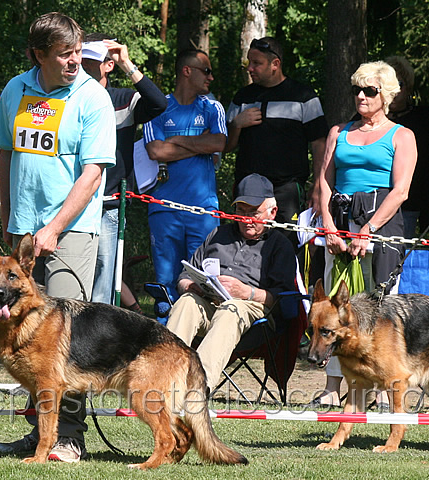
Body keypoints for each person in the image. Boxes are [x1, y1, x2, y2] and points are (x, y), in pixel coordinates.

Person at [0, 12, 116, 463]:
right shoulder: (15, 89)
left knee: (63, 339)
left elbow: (93, 172)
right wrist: (8, 217)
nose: (74, 61)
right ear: (38, 55)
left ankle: (69, 437)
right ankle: (38, 435)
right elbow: (6, 154)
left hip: (71, 232)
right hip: (23, 231)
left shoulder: (93, 97)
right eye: (64, 54)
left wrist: (55, 227)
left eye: (77, 52)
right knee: (24, 339)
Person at [312, 61, 417, 408]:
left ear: (385, 95)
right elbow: (324, 182)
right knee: (333, 308)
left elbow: (400, 191)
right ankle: (332, 386)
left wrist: (369, 230)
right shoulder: (338, 132)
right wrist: (327, 223)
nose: (361, 96)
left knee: (380, 307)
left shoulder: (402, 136)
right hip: (338, 225)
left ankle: (385, 388)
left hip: (380, 225)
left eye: (369, 90)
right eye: (357, 89)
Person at [166, 173, 296, 391]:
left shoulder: (280, 245)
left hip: (253, 315)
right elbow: (183, 277)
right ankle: (164, 375)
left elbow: (283, 300)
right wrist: (192, 285)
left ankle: (198, 386)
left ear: (272, 213)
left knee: (231, 308)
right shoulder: (218, 234)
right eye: (240, 212)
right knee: (187, 301)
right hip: (208, 303)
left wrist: (247, 292)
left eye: (253, 213)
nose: (245, 219)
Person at [80, 34, 167, 305]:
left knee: (105, 278)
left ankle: (97, 341)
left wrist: (126, 62)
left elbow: (158, 103)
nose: (82, 64)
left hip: (110, 204)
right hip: (73, 201)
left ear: (108, 65)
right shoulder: (69, 97)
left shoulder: (124, 99)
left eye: (92, 60)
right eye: (80, 58)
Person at [143, 48, 227, 308]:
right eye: (207, 71)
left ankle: (202, 341)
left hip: (203, 210)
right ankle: (165, 339)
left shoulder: (213, 107)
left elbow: (219, 142)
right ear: (187, 71)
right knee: (166, 282)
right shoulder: (156, 107)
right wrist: (199, 145)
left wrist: (177, 140)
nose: (211, 78)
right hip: (163, 209)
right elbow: (155, 150)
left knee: (203, 280)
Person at [225, 37, 328, 242]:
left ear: (275, 64)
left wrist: (317, 186)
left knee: (286, 246)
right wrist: (237, 124)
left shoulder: (303, 96)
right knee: (245, 245)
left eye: (256, 63)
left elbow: (319, 145)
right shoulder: (242, 97)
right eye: (249, 62)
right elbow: (226, 146)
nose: (250, 68)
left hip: (286, 190)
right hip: (247, 189)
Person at [385, 56, 429, 239]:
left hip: (420, 199)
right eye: (388, 86)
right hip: (381, 202)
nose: (394, 91)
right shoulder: (365, 119)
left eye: (399, 85)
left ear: (408, 87)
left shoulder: (423, 118)